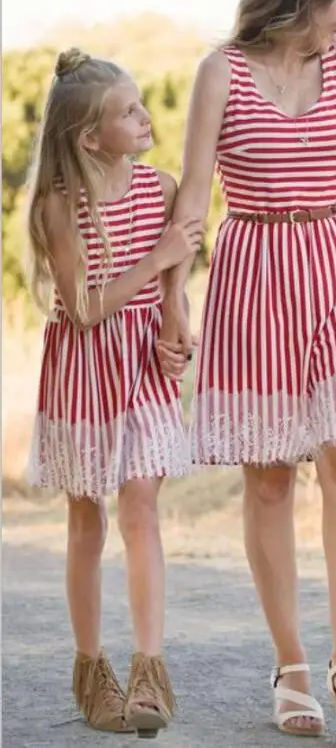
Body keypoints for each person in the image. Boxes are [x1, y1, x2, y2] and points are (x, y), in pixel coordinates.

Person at [157, 0, 336, 737]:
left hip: (334, 267)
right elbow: (193, 197)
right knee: (267, 475)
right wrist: (172, 294)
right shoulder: (220, 70)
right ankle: (290, 664)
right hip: (254, 273)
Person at [25, 48, 203, 738]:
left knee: (142, 505)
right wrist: (156, 259)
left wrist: (174, 326)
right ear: (91, 137)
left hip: (141, 367)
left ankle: (149, 668)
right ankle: (91, 665)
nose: (145, 116)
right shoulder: (58, 206)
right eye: (128, 111)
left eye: (140, 104)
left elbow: (172, 286)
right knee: (86, 515)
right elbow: (85, 308)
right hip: (86, 365)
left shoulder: (159, 187)